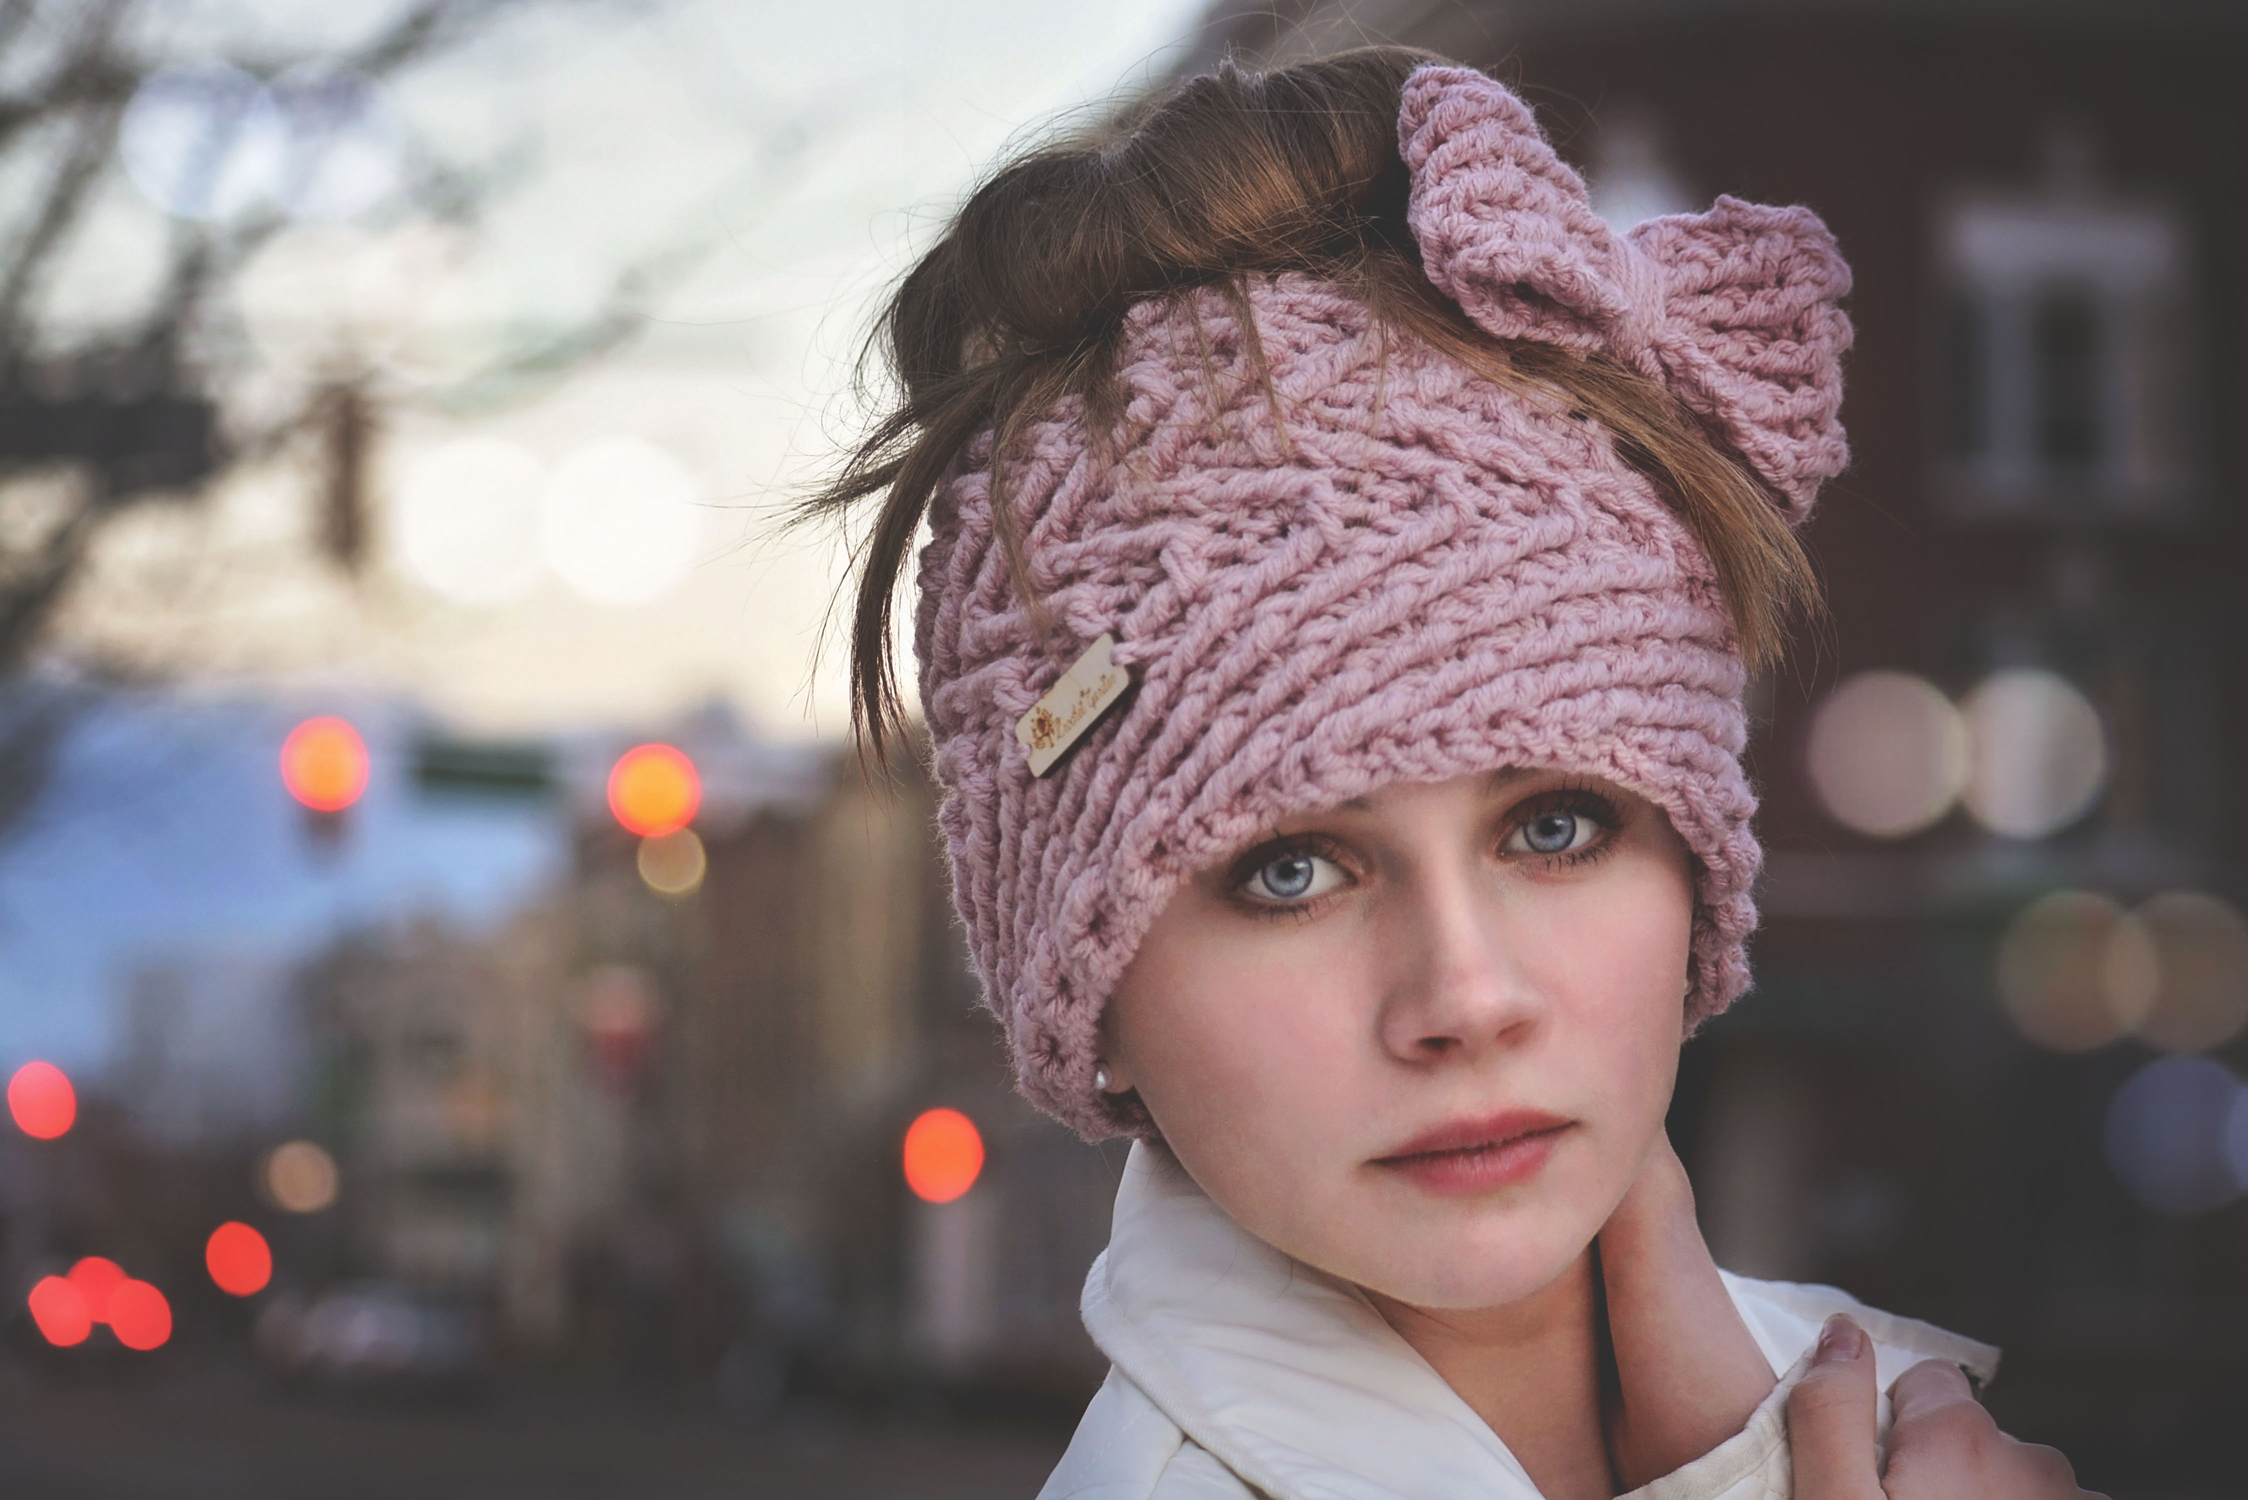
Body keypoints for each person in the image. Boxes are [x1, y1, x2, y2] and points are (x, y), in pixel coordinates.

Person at [809, 44, 2094, 1500]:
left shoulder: (1870, 1425)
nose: (1468, 998)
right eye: (1287, 871)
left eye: (1556, 825)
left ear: (1697, 868)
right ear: (1086, 996)